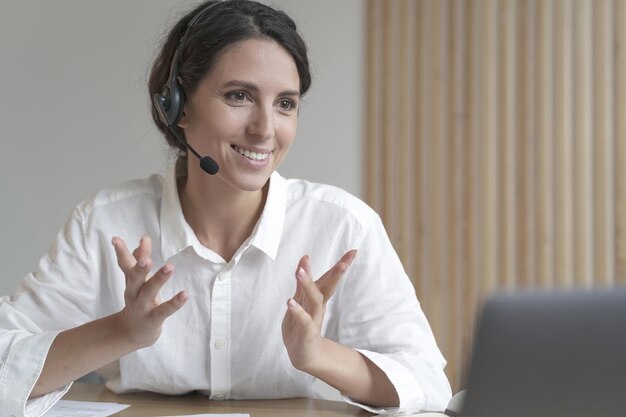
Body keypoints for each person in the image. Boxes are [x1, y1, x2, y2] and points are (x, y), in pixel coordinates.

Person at [0, 1, 451, 416]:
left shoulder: (343, 226)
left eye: (285, 104)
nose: (264, 129)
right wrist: (121, 333)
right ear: (176, 106)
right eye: (239, 96)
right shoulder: (105, 222)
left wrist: (318, 356)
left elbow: (428, 382)